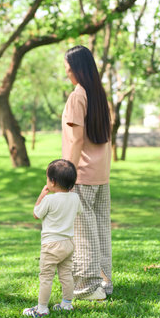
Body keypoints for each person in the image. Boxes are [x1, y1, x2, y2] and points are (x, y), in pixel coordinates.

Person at [62, 45, 112, 300]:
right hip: (101, 175)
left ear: (77, 69)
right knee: (100, 230)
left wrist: (66, 176)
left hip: (81, 174)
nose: (67, 73)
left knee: (83, 233)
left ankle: (89, 288)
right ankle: (105, 283)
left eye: (68, 69)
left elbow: (76, 141)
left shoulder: (77, 95)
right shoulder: (99, 95)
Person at [23, 159, 83, 318]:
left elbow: (36, 214)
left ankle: (41, 309)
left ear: (53, 182)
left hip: (51, 245)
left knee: (46, 277)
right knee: (66, 274)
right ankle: (67, 304)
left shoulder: (49, 200)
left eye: (47, 178)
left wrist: (42, 195)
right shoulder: (75, 198)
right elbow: (79, 211)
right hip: (69, 243)